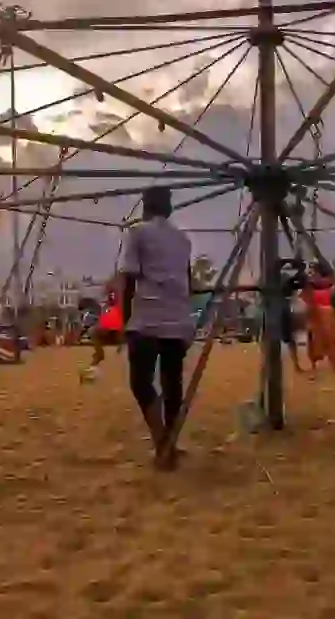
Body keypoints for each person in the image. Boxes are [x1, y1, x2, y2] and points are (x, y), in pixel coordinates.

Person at [119, 186, 193, 469]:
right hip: (177, 317)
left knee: (140, 383)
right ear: (169, 208)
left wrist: (127, 321)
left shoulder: (137, 232)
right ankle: (170, 442)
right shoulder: (183, 239)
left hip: (148, 318)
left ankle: (161, 441)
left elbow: (129, 280)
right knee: (172, 383)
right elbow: (188, 282)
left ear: (145, 206)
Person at [79, 280, 125, 383]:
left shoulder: (118, 303)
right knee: (93, 331)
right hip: (109, 329)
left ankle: (99, 357)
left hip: (116, 330)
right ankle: (98, 357)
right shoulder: (107, 307)